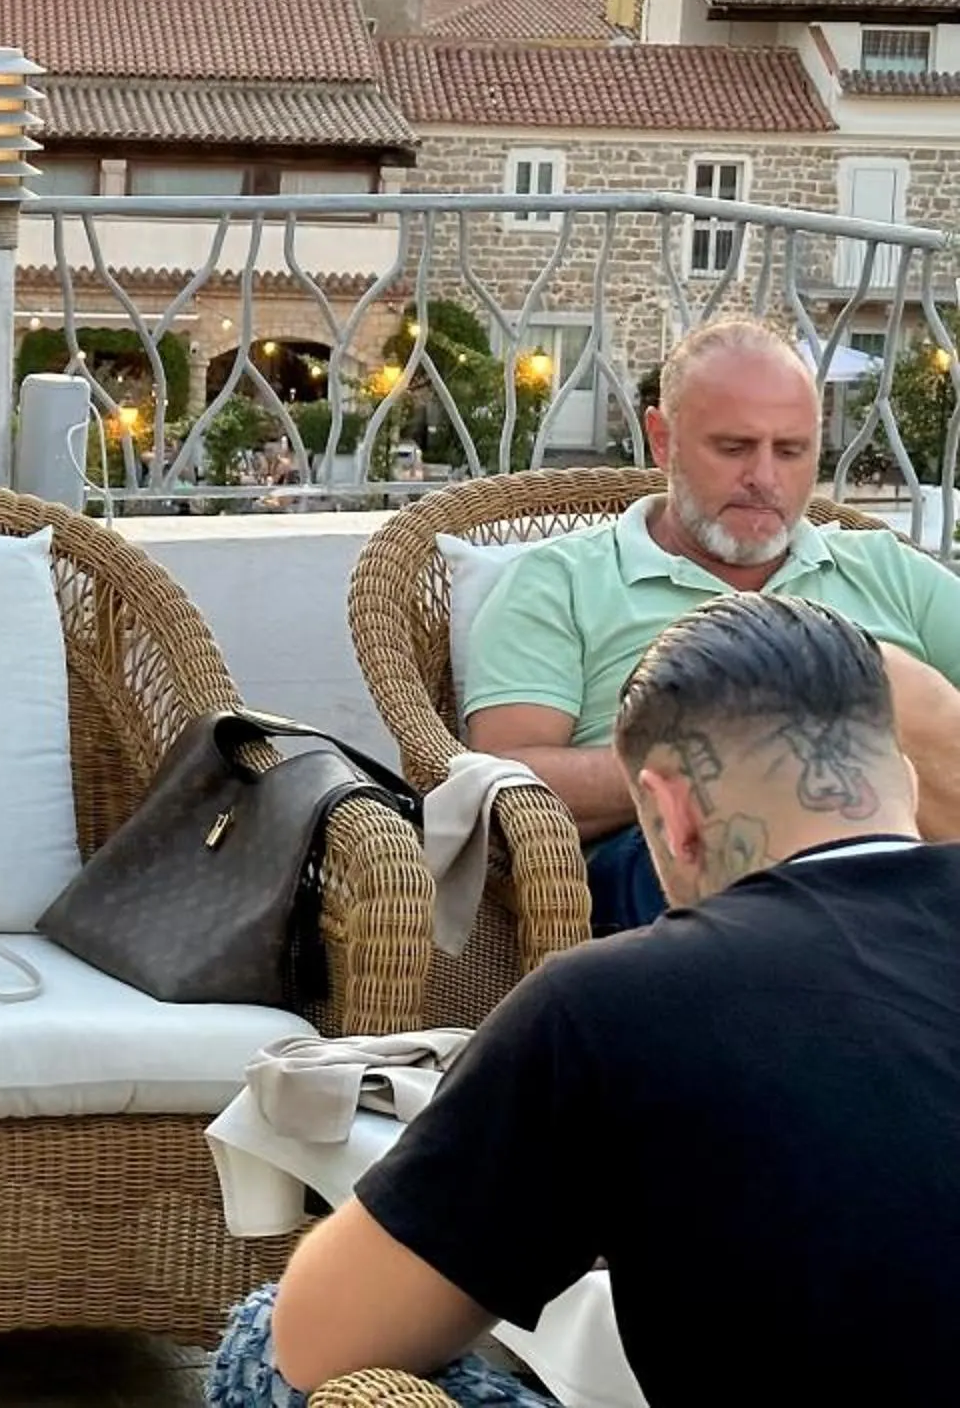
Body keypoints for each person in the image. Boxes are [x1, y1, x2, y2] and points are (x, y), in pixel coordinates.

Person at [211, 593, 960, 1407]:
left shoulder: (615, 1005)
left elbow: (316, 1341)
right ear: (903, 776)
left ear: (670, 811)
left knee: (267, 1339)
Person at [463, 316, 960, 930]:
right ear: (662, 439)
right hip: (672, 864)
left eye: (791, 450)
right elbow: (502, 777)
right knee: (860, 680)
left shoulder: (887, 569)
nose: (765, 478)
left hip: (915, 874)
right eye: (733, 448)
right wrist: (722, 756)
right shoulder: (561, 580)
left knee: (878, 677)